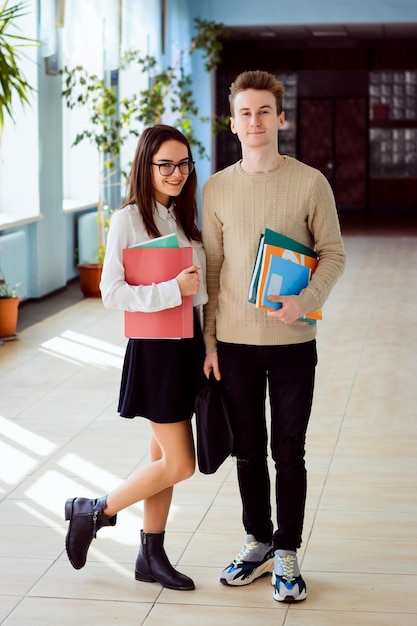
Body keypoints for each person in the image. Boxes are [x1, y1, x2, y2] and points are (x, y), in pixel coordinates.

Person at [202, 70, 346, 603]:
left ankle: (287, 550)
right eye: (245, 112)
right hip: (234, 344)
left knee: (289, 449)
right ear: (233, 122)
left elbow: (333, 253)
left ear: (281, 118)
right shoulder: (217, 188)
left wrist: (305, 302)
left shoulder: (311, 183)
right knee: (246, 450)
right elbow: (214, 270)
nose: (255, 120)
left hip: (293, 343)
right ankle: (257, 542)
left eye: (265, 111)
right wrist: (210, 343)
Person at [64, 124, 207, 591]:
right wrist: (172, 289)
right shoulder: (128, 218)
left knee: (160, 458)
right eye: (165, 164)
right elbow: (111, 293)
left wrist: (209, 346)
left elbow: (200, 294)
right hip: (155, 352)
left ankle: (152, 556)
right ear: (145, 167)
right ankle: (95, 510)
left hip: (188, 345)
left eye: (183, 163)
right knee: (180, 463)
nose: (176, 173)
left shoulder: (183, 218)